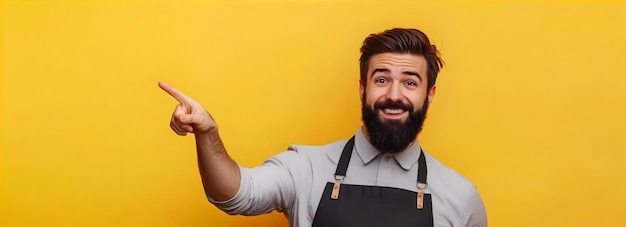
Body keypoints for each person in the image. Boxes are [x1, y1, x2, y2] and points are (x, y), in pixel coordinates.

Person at [159, 28, 487, 227]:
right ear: (363, 88)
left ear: (429, 94)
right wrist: (207, 133)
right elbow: (236, 195)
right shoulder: (306, 168)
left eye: (410, 82)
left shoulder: (459, 197)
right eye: (382, 79)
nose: (393, 95)